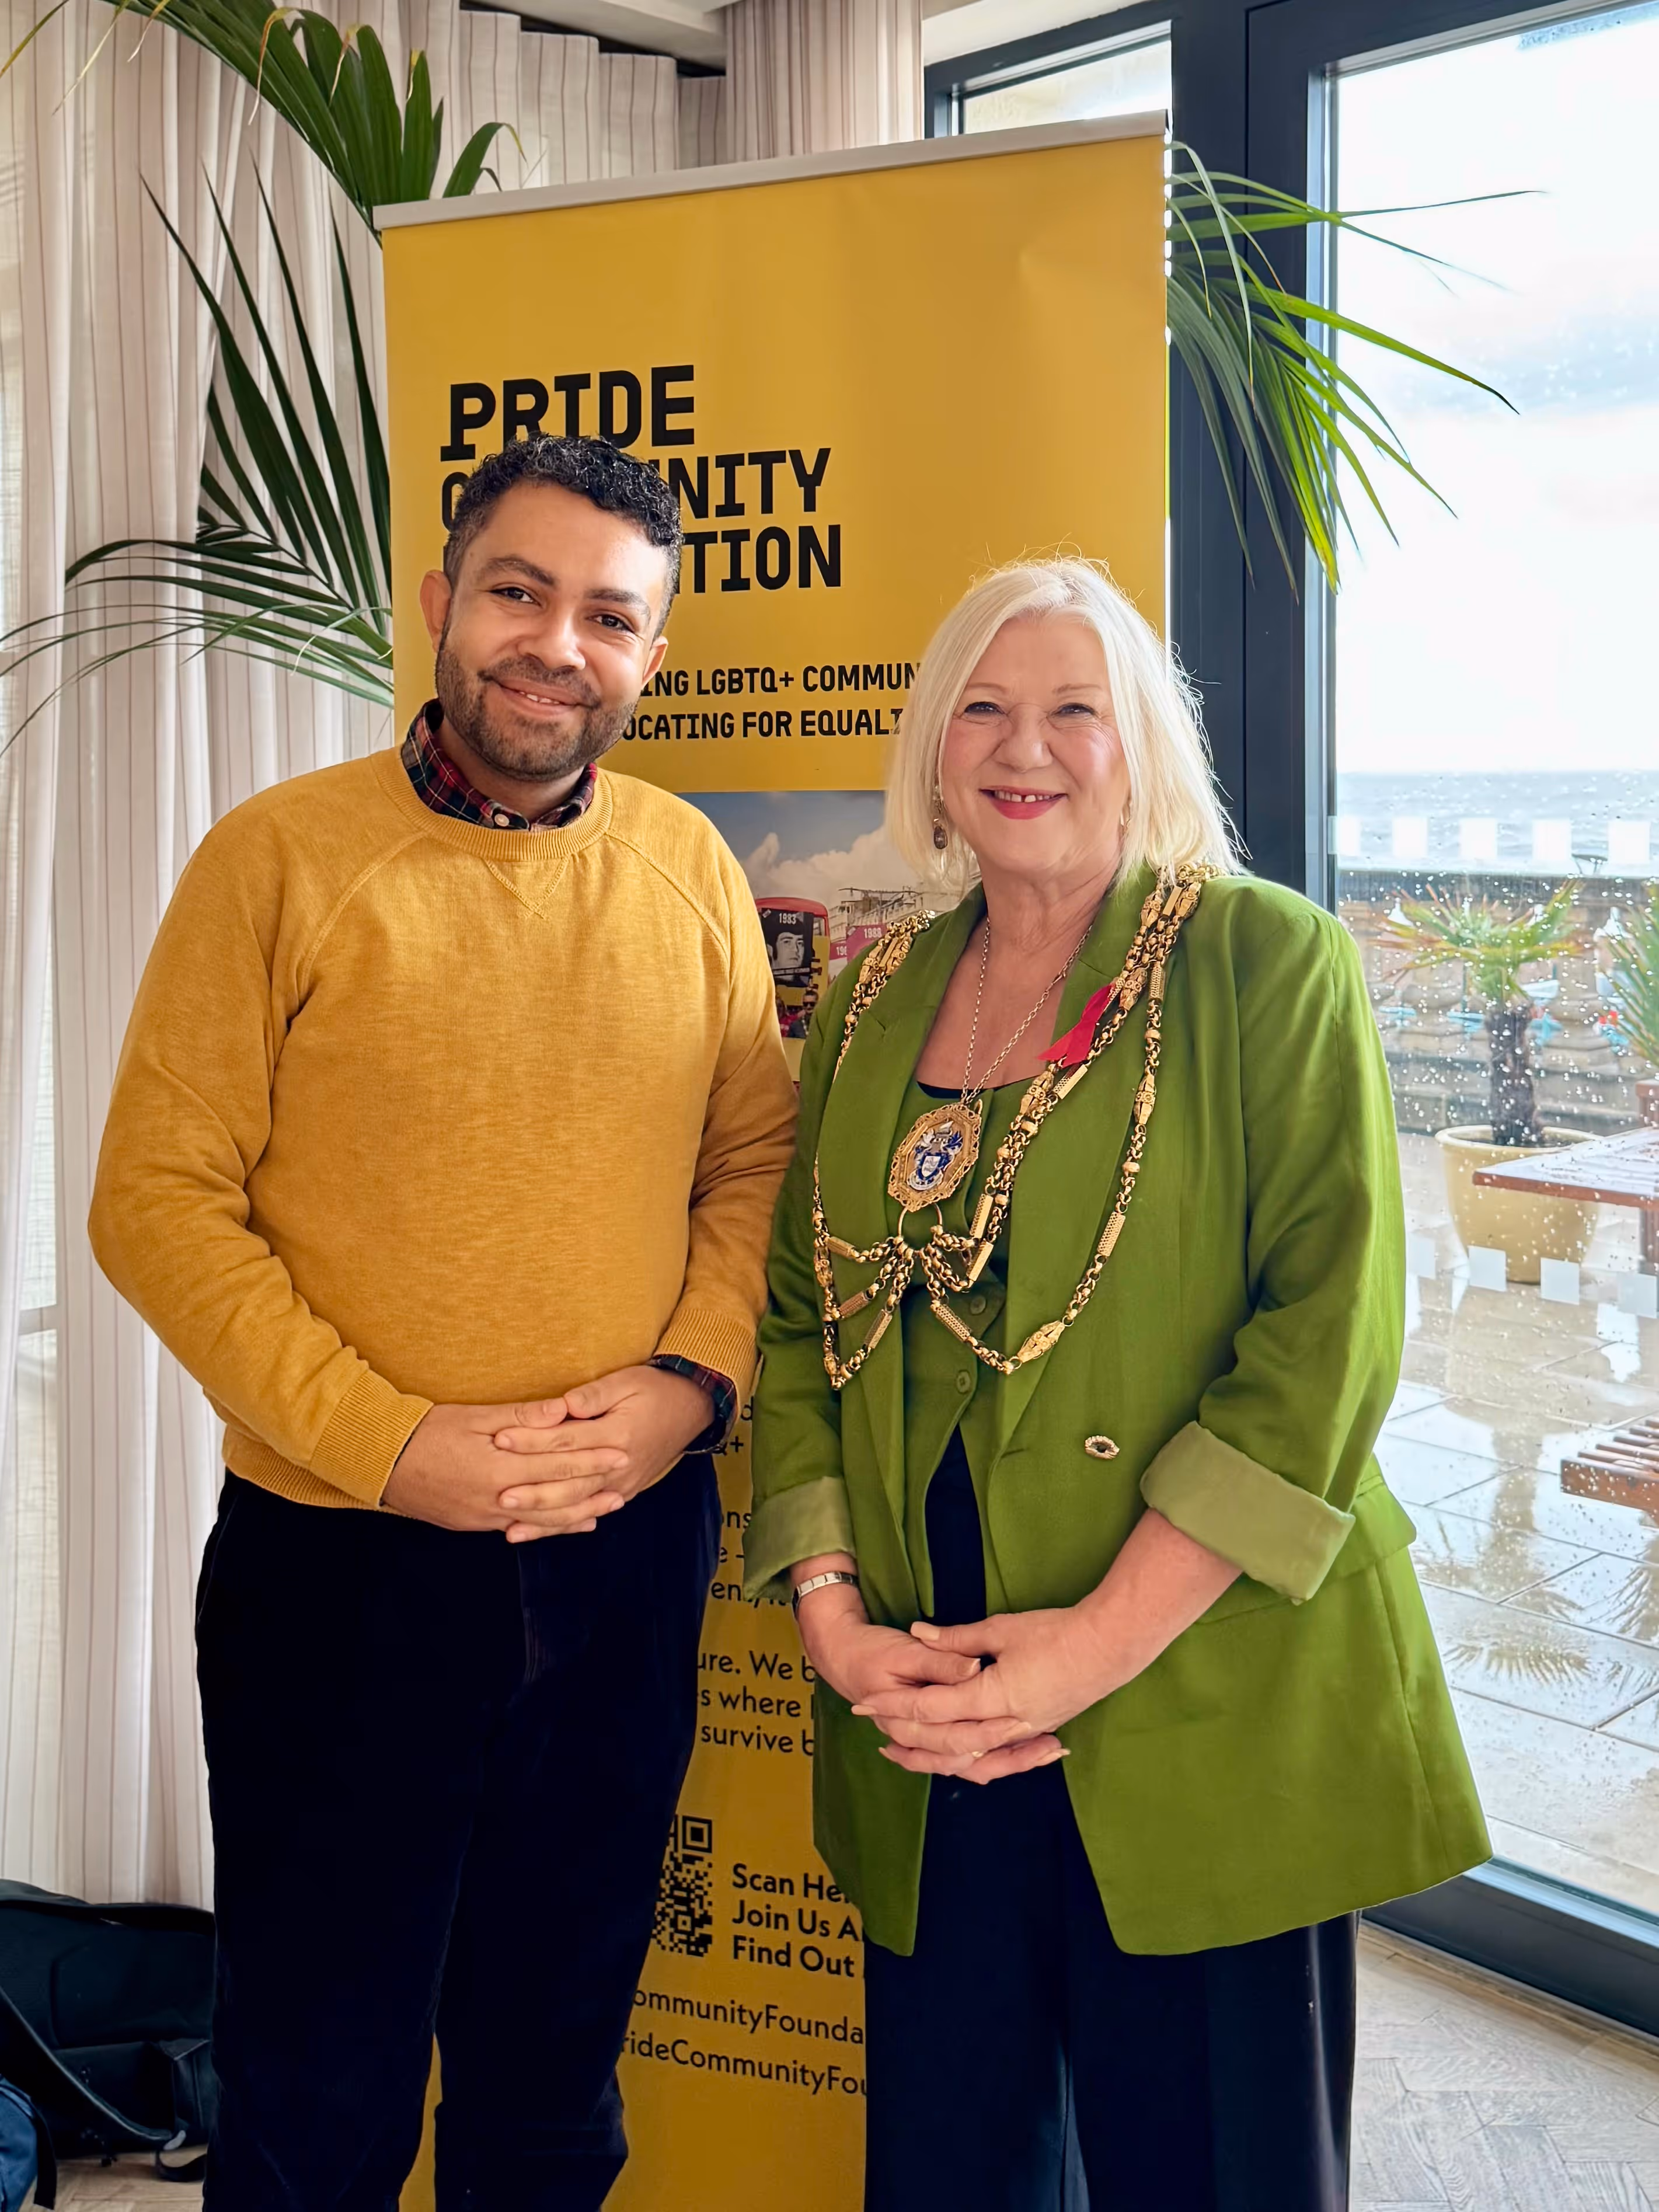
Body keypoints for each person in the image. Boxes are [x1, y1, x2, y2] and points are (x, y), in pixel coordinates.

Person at [89, 434, 797, 2211]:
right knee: (315, 2107)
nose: (560, 644)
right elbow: (156, 1201)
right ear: (442, 600)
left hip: (624, 1563)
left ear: (653, 653)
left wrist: (689, 1388)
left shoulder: (691, 868)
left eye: (611, 617)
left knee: (552, 2092)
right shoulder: (276, 860)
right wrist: (398, 1446)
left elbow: (756, 1155)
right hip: (343, 1571)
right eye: (522, 592)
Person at [746, 557, 1489, 2211]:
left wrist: (1086, 1648)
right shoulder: (868, 1000)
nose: (1027, 746)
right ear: (937, 751)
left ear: (1142, 743)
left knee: (1211, 2171)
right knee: (956, 2168)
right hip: (928, 1719)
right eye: (986, 709)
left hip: (1198, 1700)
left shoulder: (1263, 964)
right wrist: (829, 1613)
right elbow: (800, 1319)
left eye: (1075, 707)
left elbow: (1323, 1347)